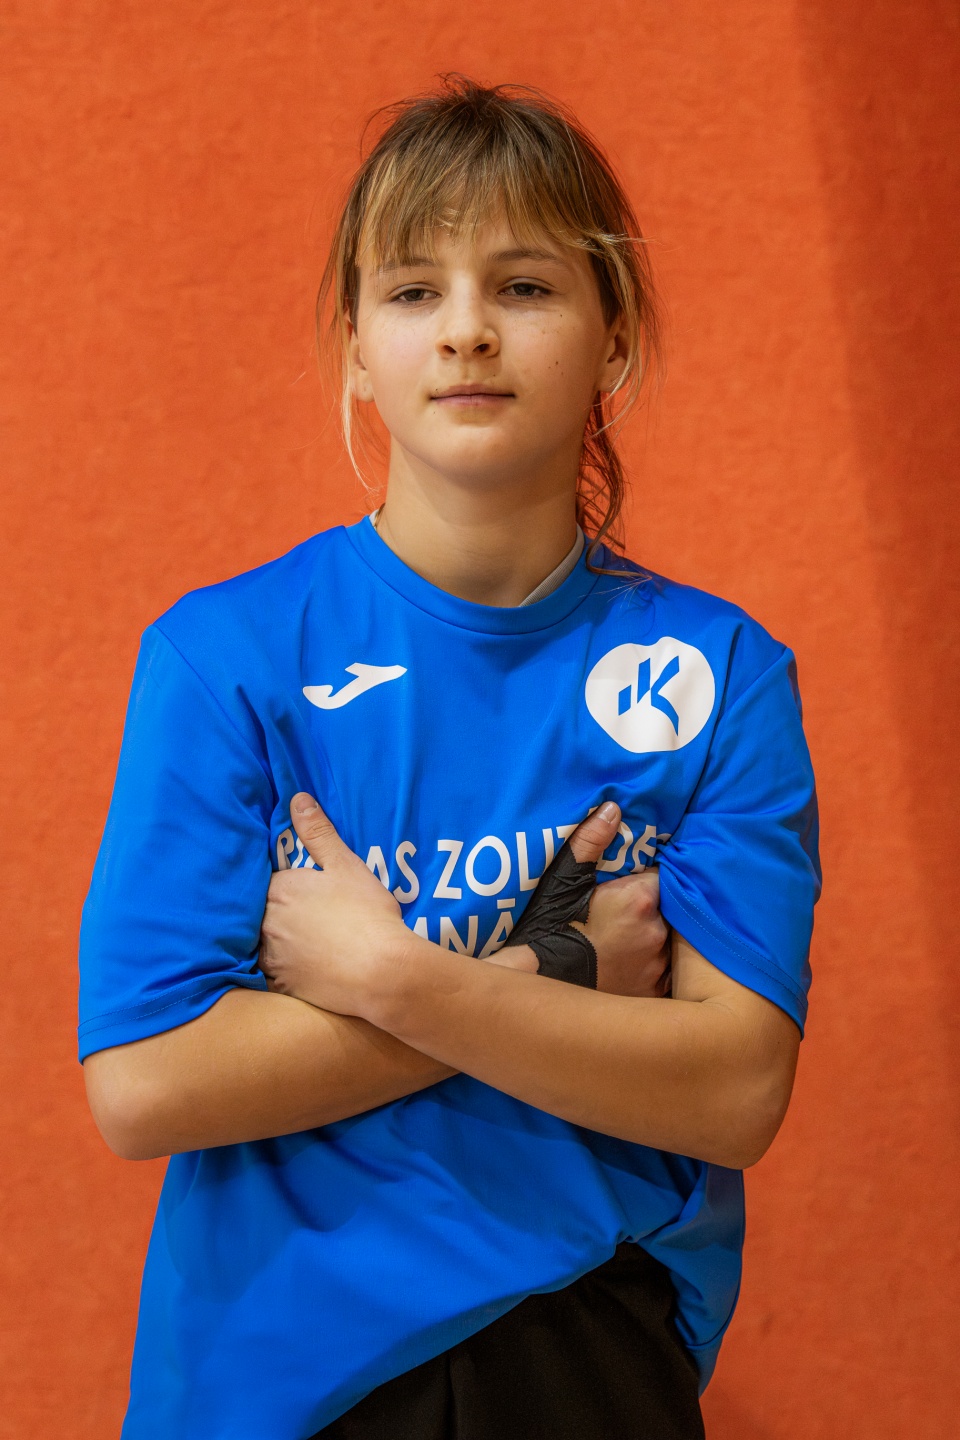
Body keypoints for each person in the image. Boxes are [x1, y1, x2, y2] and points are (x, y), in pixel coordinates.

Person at [79, 78, 820, 1440]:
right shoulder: (225, 657)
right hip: (268, 1378)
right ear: (358, 349)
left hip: (586, 1344)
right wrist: (547, 979)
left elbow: (735, 1089)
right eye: (414, 290)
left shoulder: (719, 672)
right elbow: (146, 1083)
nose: (467, 328)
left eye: (524, 286)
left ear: (614, 334)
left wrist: (396, 978)